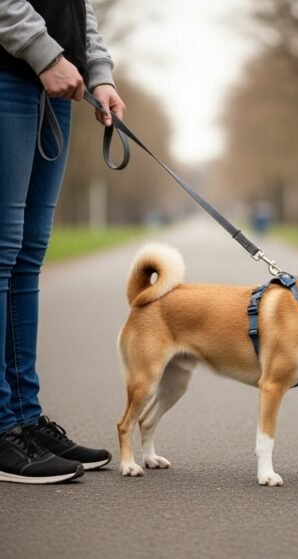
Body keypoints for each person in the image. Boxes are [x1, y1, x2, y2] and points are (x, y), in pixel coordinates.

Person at [0, 0, 125, 484]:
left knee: (28, 255)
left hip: (56, 86)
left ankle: (25, 418)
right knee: (4, 252)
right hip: (12, 73)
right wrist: (45, 54)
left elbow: (78, 7)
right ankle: (4, 426)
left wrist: (100, 73)